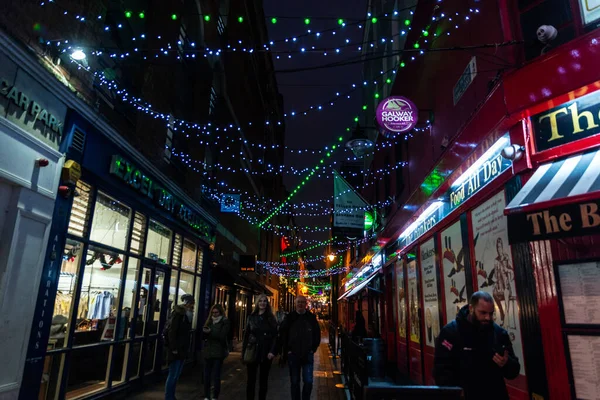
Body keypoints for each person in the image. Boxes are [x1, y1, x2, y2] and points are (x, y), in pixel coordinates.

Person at [433, 291, 520, 400]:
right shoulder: (450, 333)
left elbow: (514, 371)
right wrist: (455, 392)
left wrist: (506, 363)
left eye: (491, 313)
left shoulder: (499, 334)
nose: (488, 317)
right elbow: (441, 370)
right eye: (483, 313)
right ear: (471, 308)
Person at [279, 295, 320, 400]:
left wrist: (313, 349)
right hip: (293, 354)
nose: (300, 304)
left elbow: (317, 334)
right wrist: (287, 350)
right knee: (294, 382)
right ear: (295, 304)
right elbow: (283, 334)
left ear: (306, 304)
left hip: (307, 354)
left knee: (308, 381)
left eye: (302, 302)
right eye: (298, 302)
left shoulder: (311, 317)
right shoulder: (290, 317)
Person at [243, 294, 278, 400]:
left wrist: (272, 351)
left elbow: (275, 336)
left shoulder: (271, 318)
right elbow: (246, 336)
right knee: (251, 380)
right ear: (257, 303)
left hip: (265, 351)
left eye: (265, 301)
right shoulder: (251, 317)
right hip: (252, 350)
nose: (263, 303)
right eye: (260, 301)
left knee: (263, 380)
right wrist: (244, 352)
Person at [165, 294, 195, 400]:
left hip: (182, 349)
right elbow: (172, 331)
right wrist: (173, 348)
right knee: (173, 374)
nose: (192, 307)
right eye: (191, 305)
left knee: (176, 375)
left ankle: (171, 396)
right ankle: (169, 397)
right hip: (176, 349)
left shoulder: (185, 315)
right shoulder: (179, 314)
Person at [202, 304, 231, 400]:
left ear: (220, 312)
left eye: (216, 312)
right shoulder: (209, 321)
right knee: (206, 376)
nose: (214, 314)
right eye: (213, 313)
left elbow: (222, 336)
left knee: (216, 376)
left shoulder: (224, 322)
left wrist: (209, 333)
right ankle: (206, 396)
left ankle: (215, 396)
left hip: (218, 352)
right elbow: (203, 336)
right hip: (208, 352)